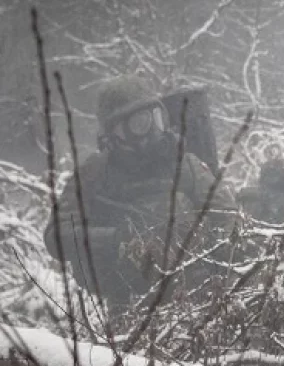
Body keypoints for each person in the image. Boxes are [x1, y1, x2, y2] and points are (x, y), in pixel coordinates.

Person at [45, 75, 239, 309]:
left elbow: (229, 220)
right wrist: (117, 239)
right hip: (128, 305)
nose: (151, 131)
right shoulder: (95, 173)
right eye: (139, 123)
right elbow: (56, 236)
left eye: (156, 119)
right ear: (116, 132)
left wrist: (191, 245)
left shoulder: (186, 166)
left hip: (194, 300)